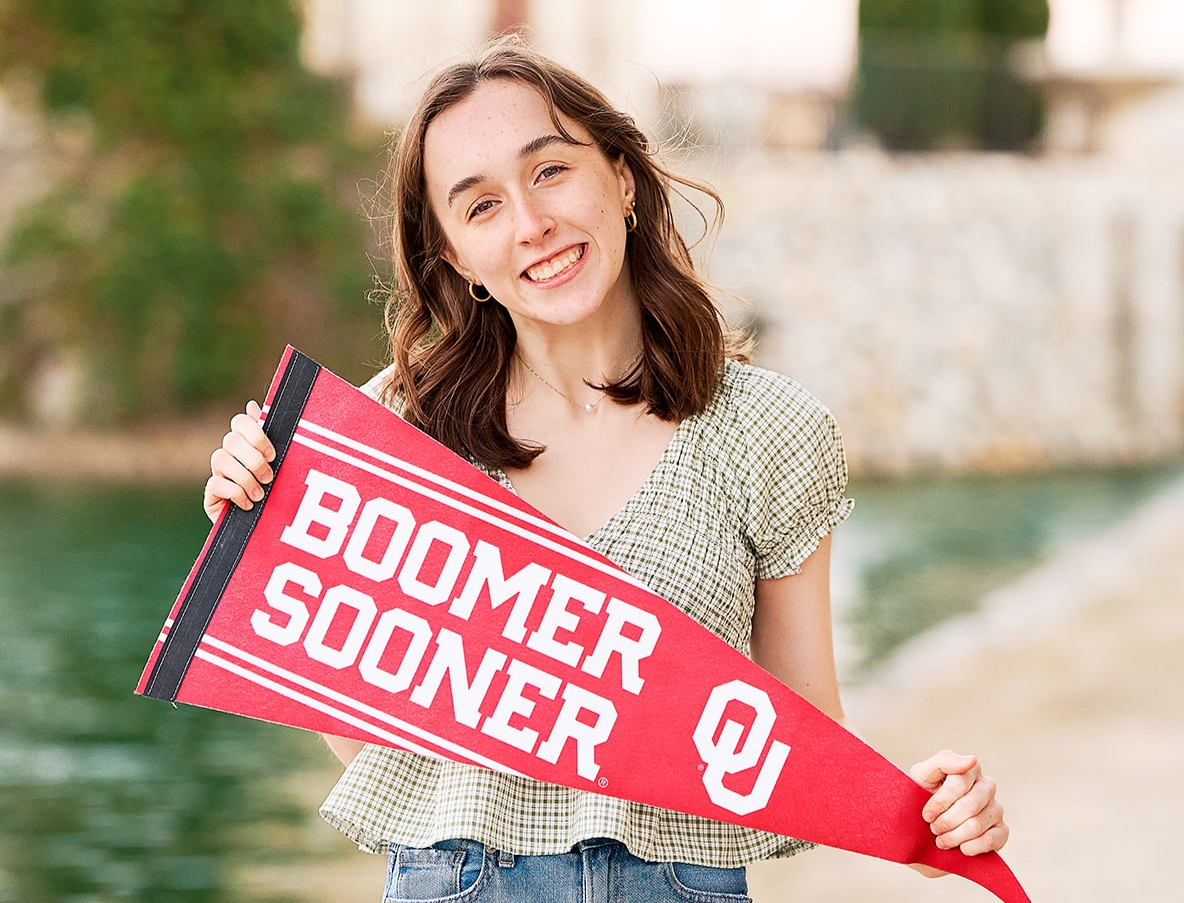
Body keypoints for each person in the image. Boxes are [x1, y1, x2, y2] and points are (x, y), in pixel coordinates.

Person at [204, 36, 1008, 903]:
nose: (530, 223)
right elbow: (369, 731)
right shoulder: (399, 429)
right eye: (480, 207)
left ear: (621, 178)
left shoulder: (768, 430)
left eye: (549, 171)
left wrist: (928, 824)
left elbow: (798, 736)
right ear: (455, 260)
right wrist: (264, 528)